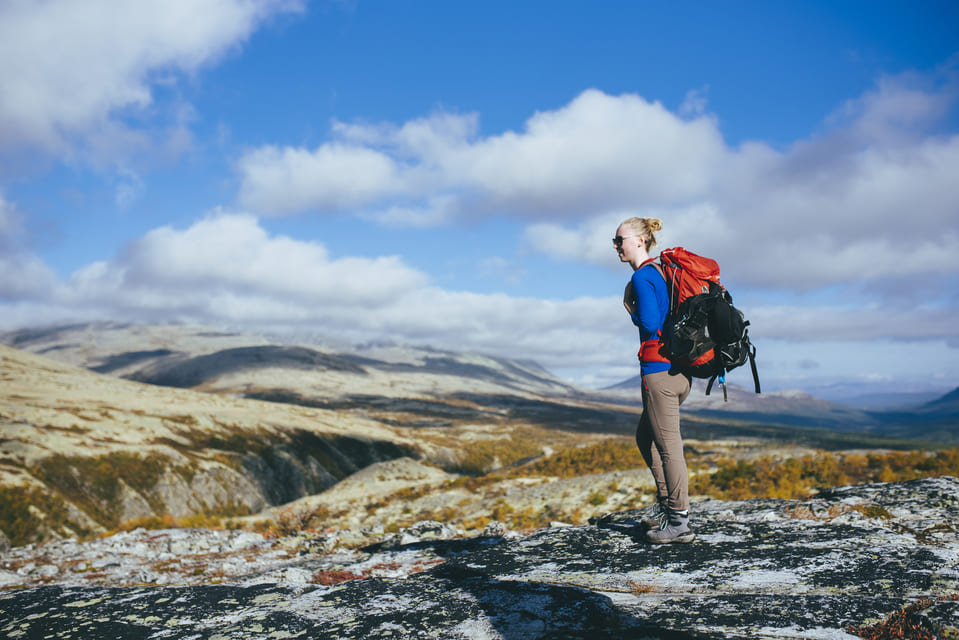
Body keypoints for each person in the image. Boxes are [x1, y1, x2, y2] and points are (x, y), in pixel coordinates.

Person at [614, 217, 696, 544]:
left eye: (620, 239)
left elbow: (649, 323)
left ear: (639, 241)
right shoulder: (663, 272)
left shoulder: (644, 276)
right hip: (678, 372)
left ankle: (679, 522)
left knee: (669, 447)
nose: (616, 246)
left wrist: (630, 306)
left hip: (658, 373)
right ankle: (667, 506)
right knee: (645, 437)